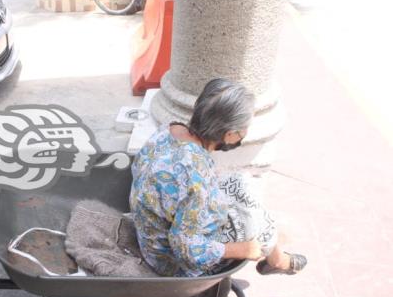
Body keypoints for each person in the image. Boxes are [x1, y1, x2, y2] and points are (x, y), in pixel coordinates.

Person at [130, 78, 307, 278]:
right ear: (230, 134)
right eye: (244, 129)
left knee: (239, 183)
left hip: (151, 230)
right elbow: (186, 248)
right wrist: (242, 249)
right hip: (168, 259)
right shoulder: (196, 177)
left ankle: (276, 256)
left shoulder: (171, 130)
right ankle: (277, 259)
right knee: (256, 222)